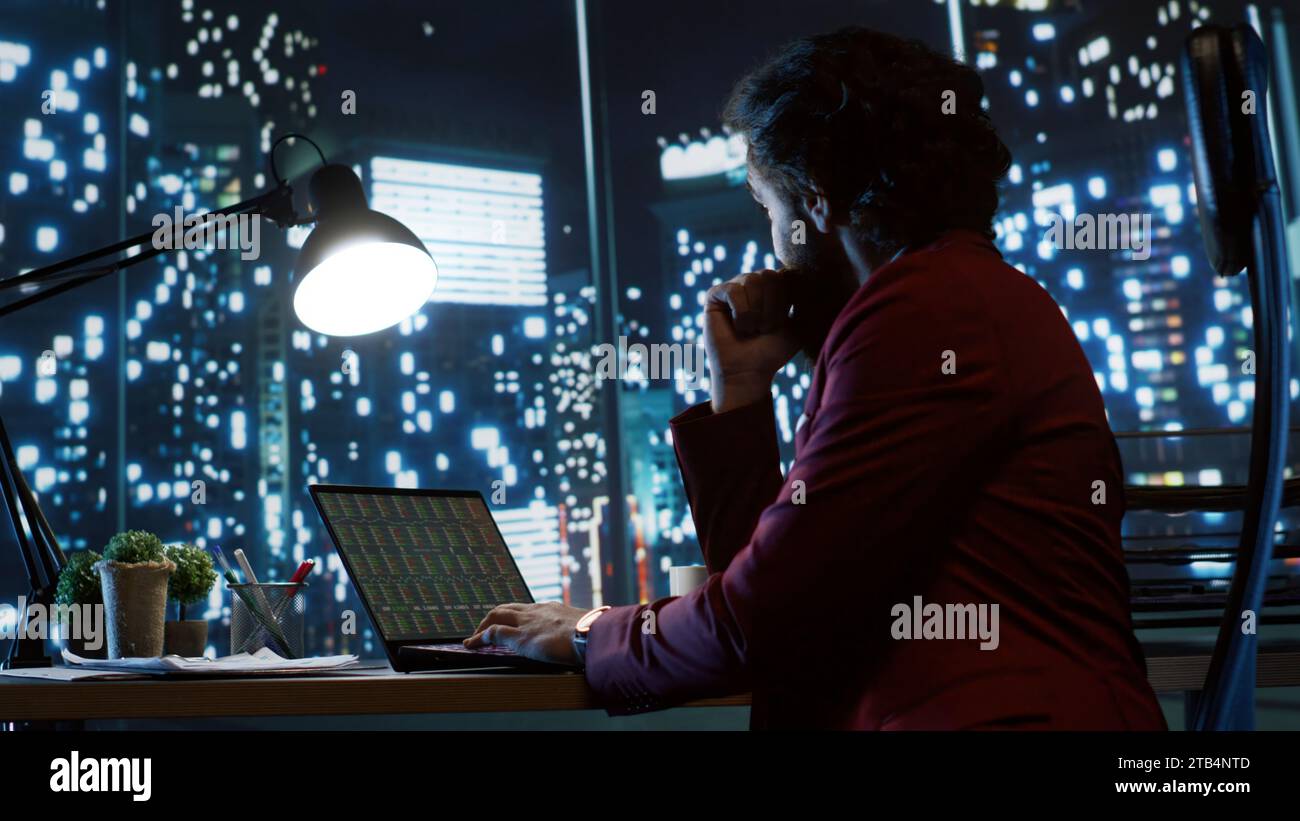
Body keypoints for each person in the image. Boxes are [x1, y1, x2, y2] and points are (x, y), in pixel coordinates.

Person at [465, 26, 1167, 730]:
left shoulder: (924, 311)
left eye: (768, 208)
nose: (769, 240)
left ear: (816, 200)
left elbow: (763, 618)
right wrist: (740, 391)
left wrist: (588, 632)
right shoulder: (961, 297)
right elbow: (791, 589)